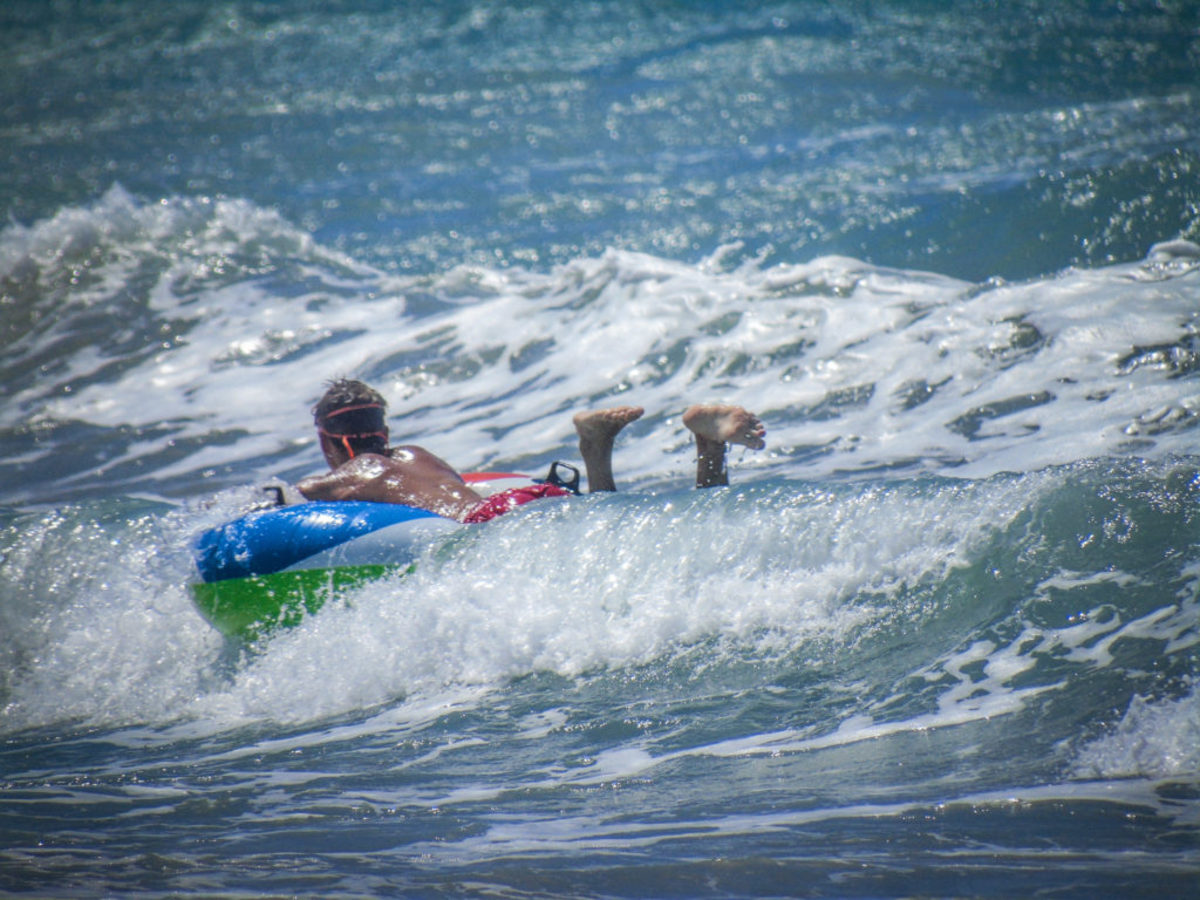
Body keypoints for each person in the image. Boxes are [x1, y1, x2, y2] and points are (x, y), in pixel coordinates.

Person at [296, 378, 766, 523]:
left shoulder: (357, 471)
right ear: (385, 428)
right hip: (518, 500)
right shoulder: (414, 454)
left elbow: (309, 489)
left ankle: (599, 448)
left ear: (328, 441)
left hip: (486, 523)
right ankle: (705, 443)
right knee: (604, 524)